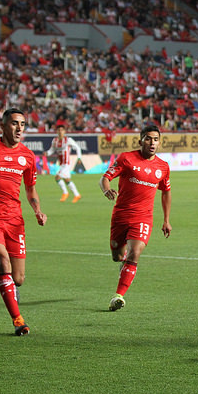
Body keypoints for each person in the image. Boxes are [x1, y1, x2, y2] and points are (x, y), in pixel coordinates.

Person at [0, 108, 47, 335]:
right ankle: (18, 321)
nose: (19, 128)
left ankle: (11, 289)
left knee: (18, 278)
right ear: (3, 126)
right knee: (2, 261)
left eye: (22, 124)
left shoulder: (27, 156)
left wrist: (38, 211)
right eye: (15, 123)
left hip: (14, 221)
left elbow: (31, 189)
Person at [99, 125, 172, 311]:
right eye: (148, 138)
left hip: (143, 217)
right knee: (117, 256)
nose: (152, 143)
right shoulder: (126, 158)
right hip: (121, 215)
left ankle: (118, 296)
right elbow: (105, 178)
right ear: (140, 141)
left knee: (135, 253)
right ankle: (123, 262)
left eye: (156, 139)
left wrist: (166, 220)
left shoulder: (163, 167)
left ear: (159, 142)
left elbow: (165, 192)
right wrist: (107, 190)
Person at [45, 124, 82, 202]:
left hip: (66, 163)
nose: (60, 131)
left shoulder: (68, 140)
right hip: (61, 164)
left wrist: (79, 158)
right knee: (67, 180)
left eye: (62, 130)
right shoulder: (55, 140)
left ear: (64, 131)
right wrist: (47, 153)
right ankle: (77, 195)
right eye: (59, 130)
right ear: (57, 131)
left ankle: (65, 193)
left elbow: (77, 147)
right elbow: (52, 150)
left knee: (57, 177)